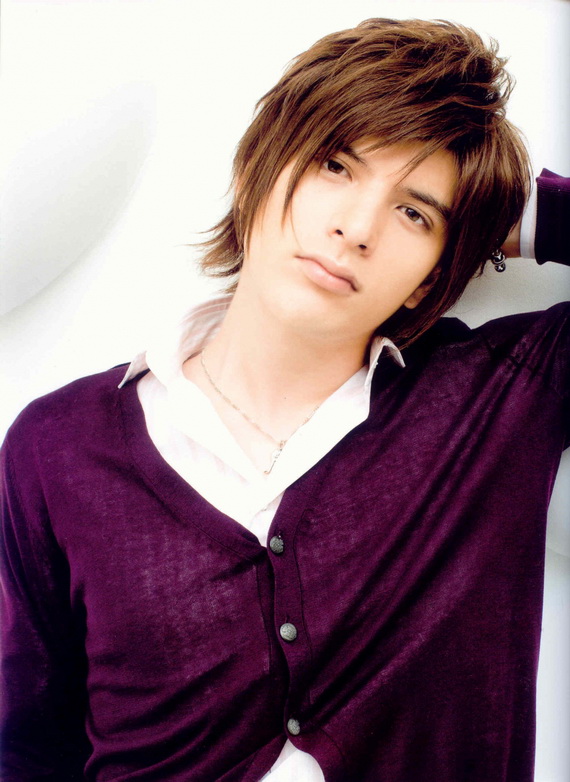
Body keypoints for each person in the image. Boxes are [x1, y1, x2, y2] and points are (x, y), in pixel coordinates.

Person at [1, 17, 568, 782]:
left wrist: (520, 214)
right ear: (257, 172)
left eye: (414, 212)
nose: (356, 228)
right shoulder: (59, 447)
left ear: (435, 273)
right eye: (335, 166)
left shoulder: (500, 400)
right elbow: (29, 751)